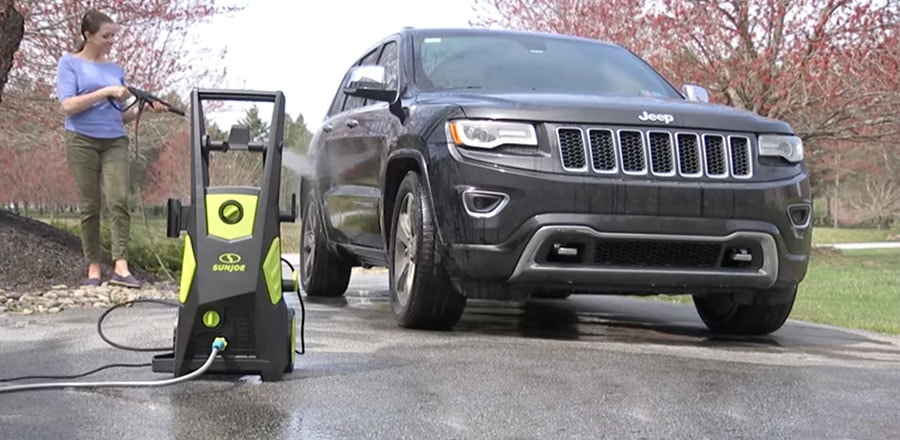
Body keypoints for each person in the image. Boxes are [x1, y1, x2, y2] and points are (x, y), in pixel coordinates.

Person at [55, 9, 166, 288]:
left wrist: (145, 111)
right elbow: (68, 106)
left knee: (118, 200)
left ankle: (121, 266)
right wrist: (105, 92)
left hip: (114, 139)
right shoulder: (69, 64)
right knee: (90, 204)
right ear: (87, 35)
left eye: (113, 36)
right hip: (81, 139)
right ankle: (93, 268)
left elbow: (119, 116)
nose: (111, 41)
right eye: (106, 36)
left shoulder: (115, 70)